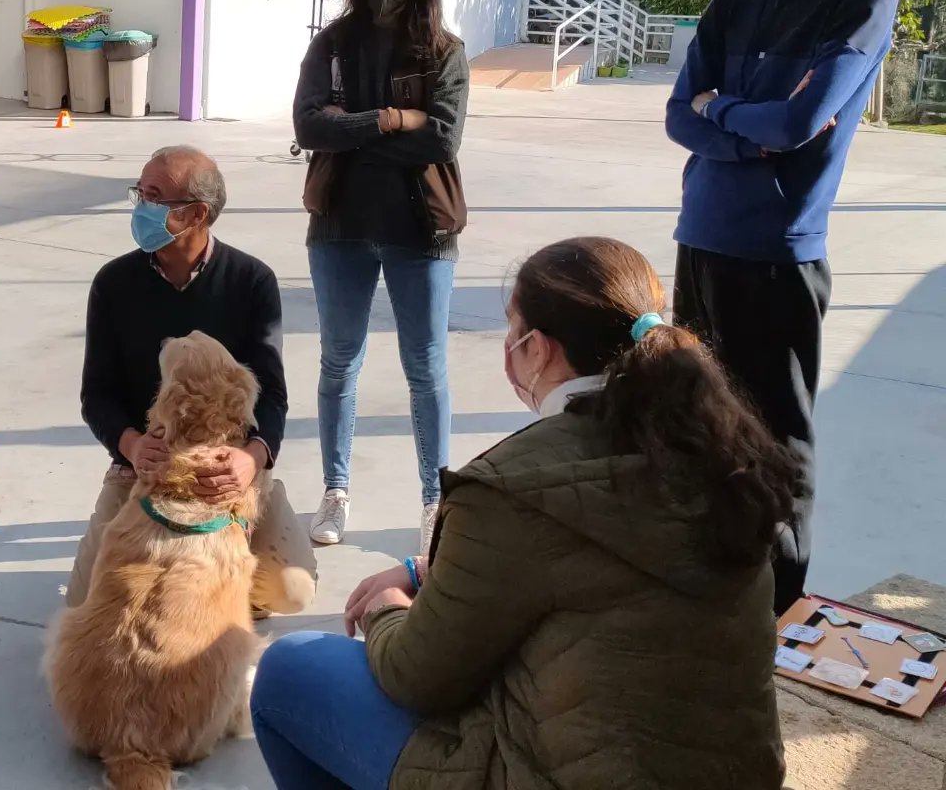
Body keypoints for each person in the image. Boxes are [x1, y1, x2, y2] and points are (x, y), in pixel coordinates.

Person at [250, 236, 796, 790]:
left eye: (511, 328)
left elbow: (418, 677)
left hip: (557, 772)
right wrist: (422, 570)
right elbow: (590, 571)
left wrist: (386, 610)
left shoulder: (514, 482)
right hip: (733, 770)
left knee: (291, 667)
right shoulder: (716, 448)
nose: (507, 344)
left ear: (538, 349)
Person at [665, 0, 899, 614]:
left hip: (777, 257)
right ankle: (705, 587)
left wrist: (721, 108)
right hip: (698, 241)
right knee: (690, 423)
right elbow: (679, 119)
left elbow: (799, 127)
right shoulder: (733, 1)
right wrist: (747, 121)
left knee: (775, 443)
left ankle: (778, 609)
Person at [68, 146, 317, 618]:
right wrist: (133, 445)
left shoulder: (251, 281)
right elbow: (95, 393)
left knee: (292, 591)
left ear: (197, 214)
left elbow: (273, 392)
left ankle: (219, 576)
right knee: (86, 606)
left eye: (154, 196)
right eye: (139, 192)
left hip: (225, 471)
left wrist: (252, 458)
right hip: (142, 466)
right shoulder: (113, 283)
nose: (141, 205)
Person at [292, 0, 470, 555]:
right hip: (339, 226)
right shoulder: (333, 44)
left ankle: (434, 499)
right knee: (339, 362)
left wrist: (358, 126)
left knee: (425, 370)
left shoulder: (445, 52)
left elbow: (443, 138)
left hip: (420, 231)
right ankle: (335, 491)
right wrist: (395, 119)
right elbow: (310, 128)